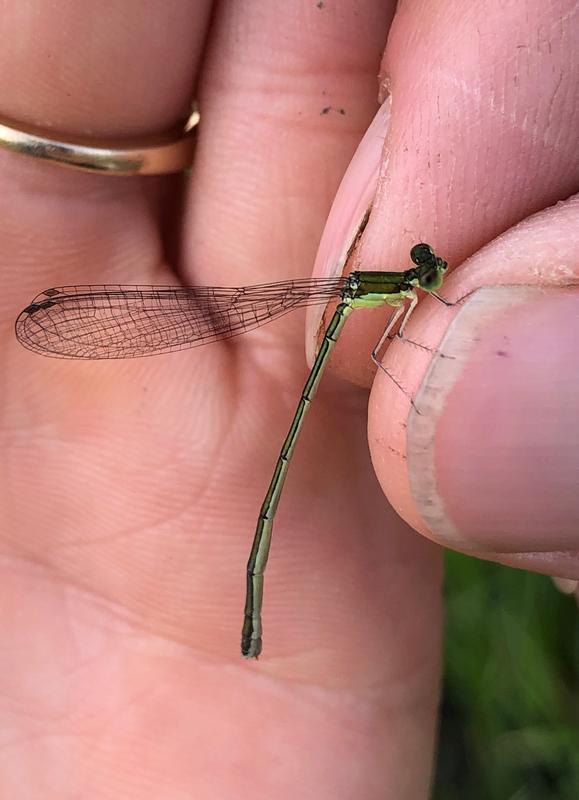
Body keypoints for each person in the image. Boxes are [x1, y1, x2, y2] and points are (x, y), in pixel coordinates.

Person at [1, 1, 577, 797]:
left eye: (425, 275)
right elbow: (397, 335)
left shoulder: (398, 291)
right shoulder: (403, 296)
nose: (427, 280)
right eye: (424, 275)